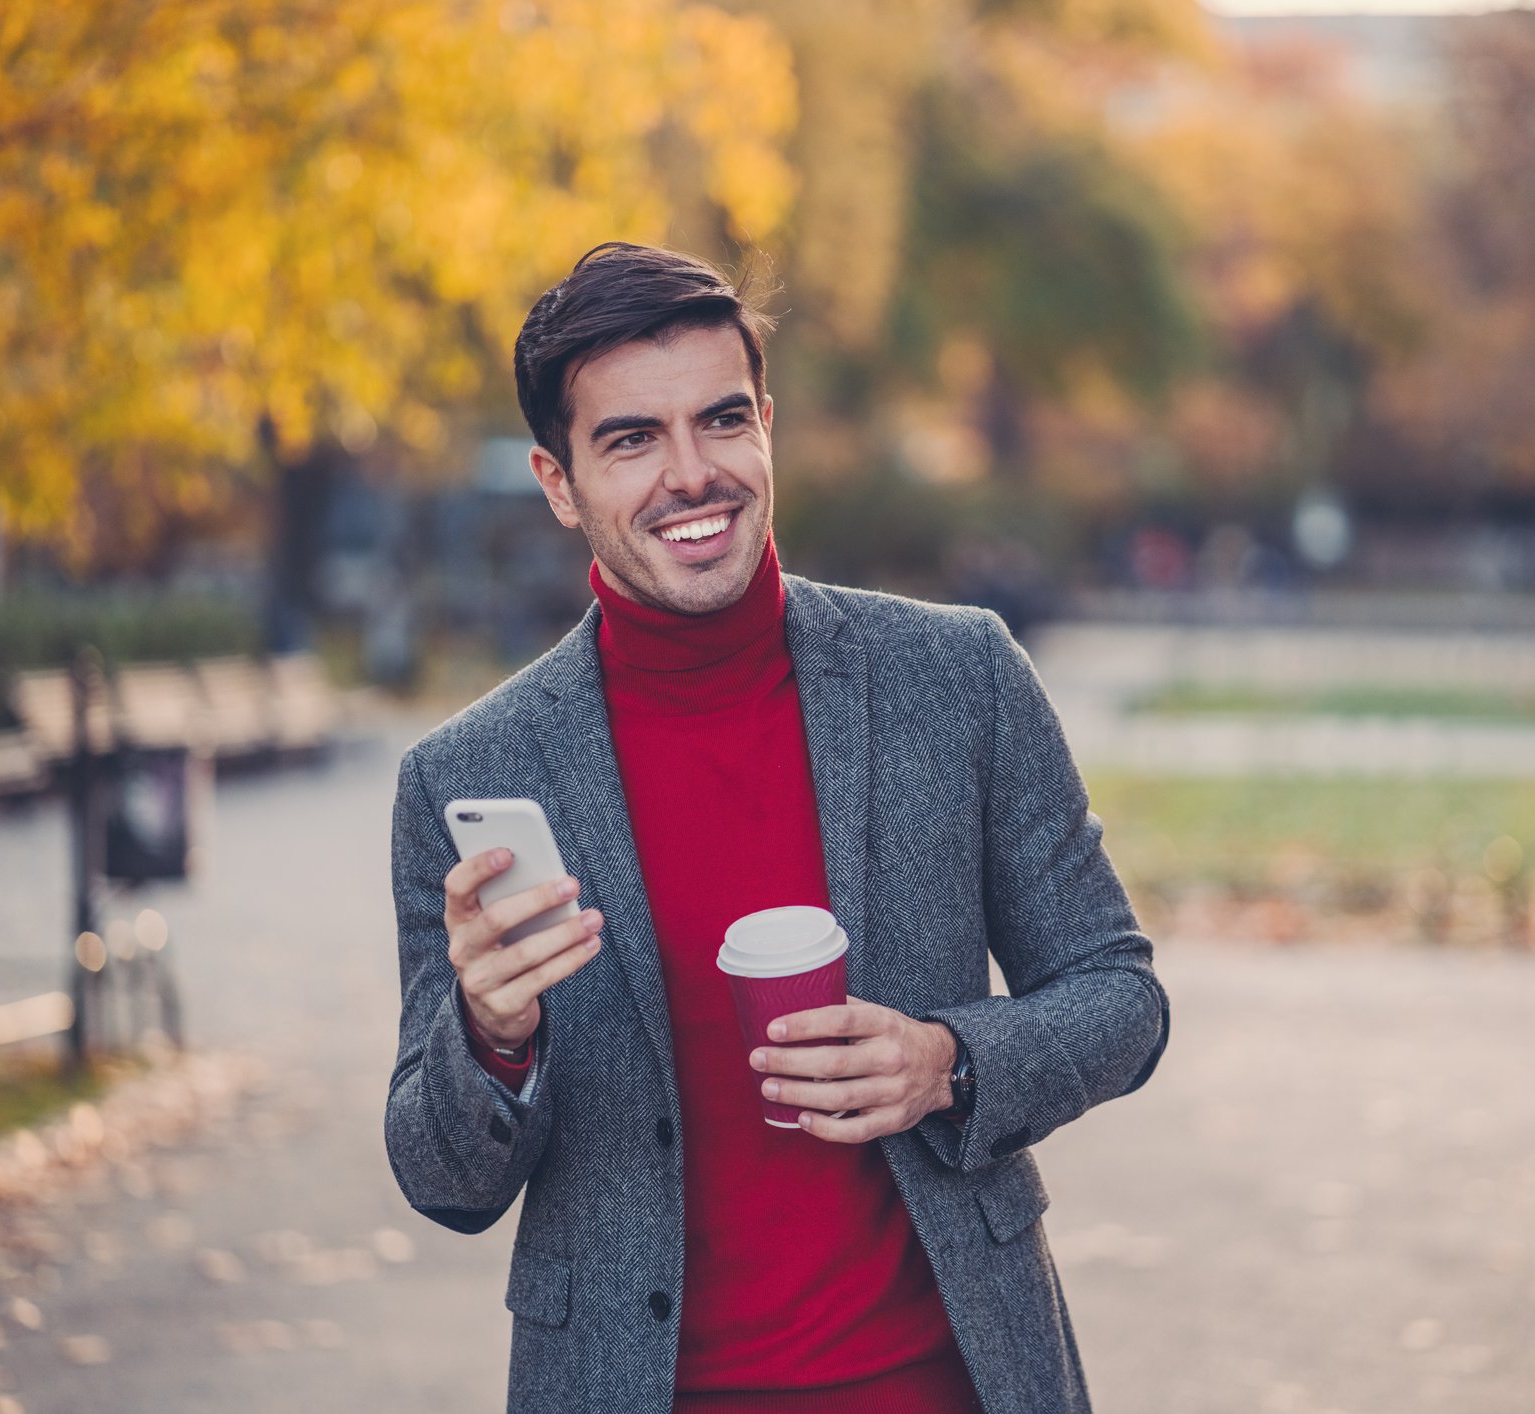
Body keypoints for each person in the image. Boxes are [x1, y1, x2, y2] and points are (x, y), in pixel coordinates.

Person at [384, 242, 1168, 1414]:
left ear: (767, 427)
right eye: (630, 439)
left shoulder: (955, 678)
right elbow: (442, 1176)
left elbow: (1120, 996)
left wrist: (946, 1063)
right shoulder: (471, 774)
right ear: (558, 482)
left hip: (948, 1385)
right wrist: (491, 1029)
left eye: (721, 420)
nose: (691, 473)